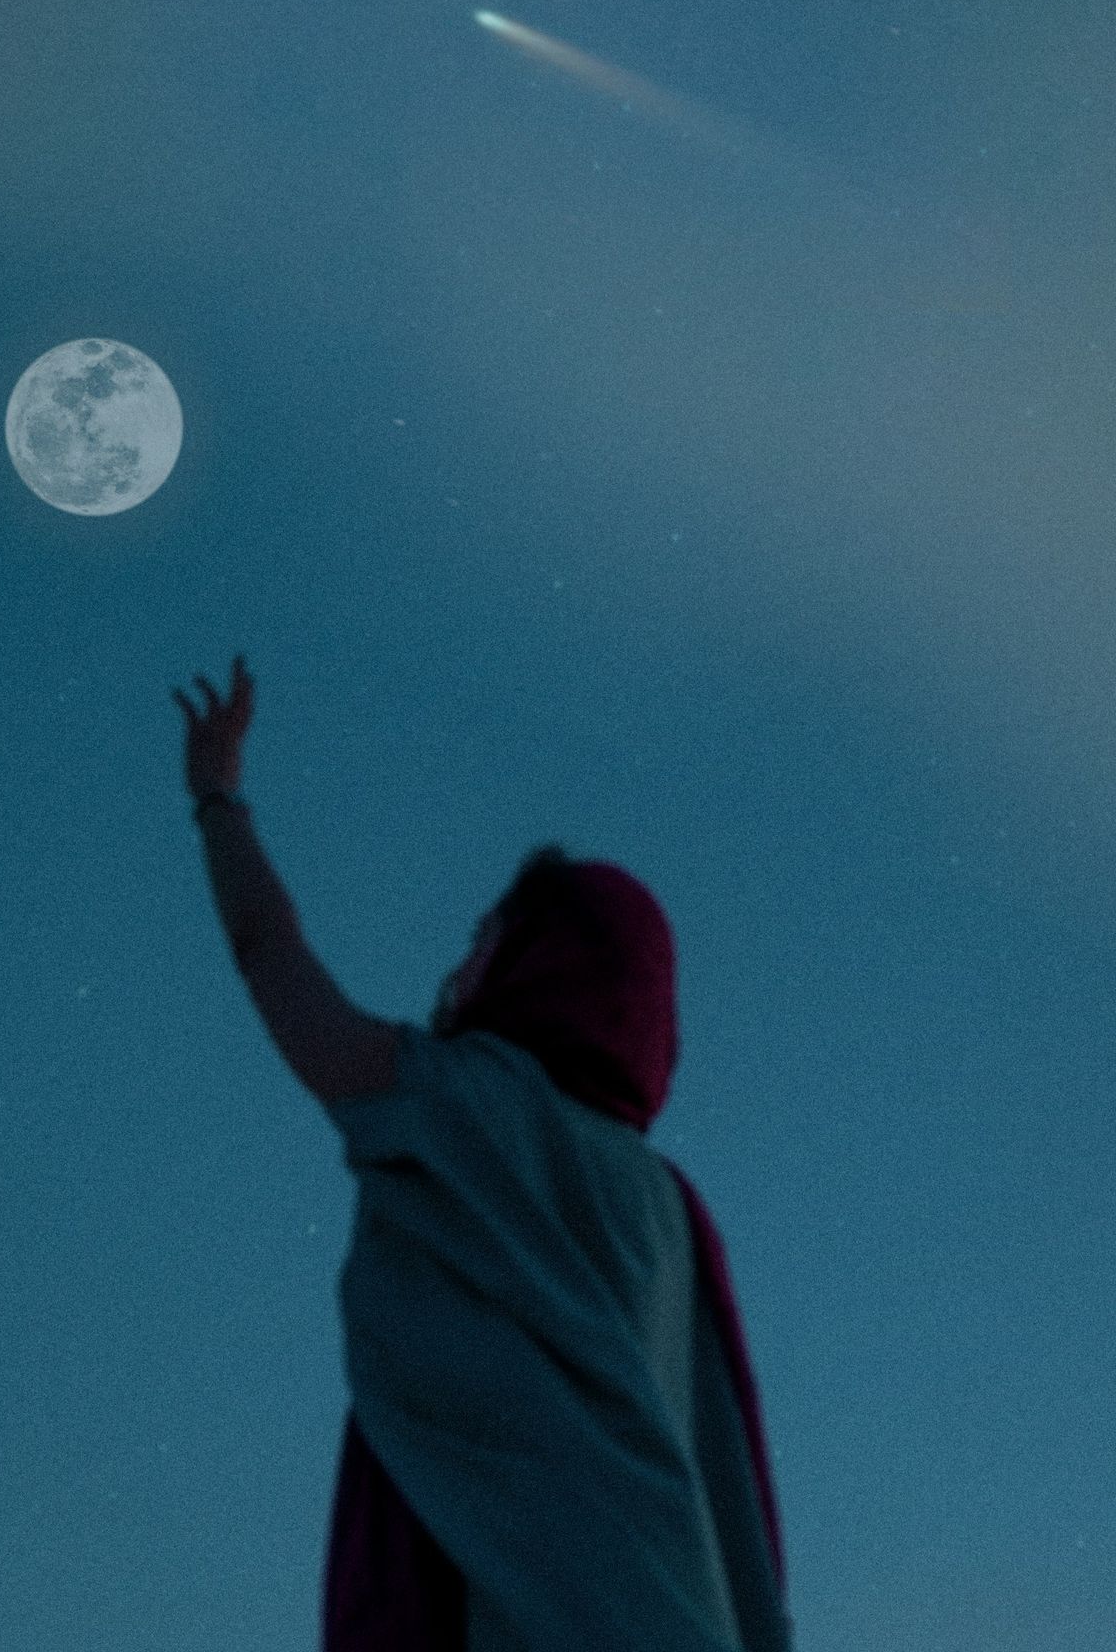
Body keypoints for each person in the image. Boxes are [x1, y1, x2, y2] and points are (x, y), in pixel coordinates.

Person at [174, 659, 794, 1651]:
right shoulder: (671, 1211)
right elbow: (730, 1484)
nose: (454, 968)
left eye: (481, 941)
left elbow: (272, 959)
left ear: (537, 962)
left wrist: (218, 799)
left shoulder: (467, 1108)